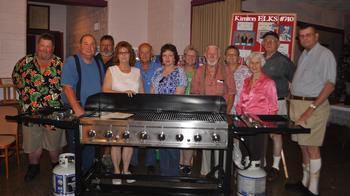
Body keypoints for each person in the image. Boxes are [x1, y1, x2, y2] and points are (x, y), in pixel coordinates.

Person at [285, 25, 336, 196]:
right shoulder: (305, 55)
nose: (304, 38)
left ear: (316, 36)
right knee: (303, 146)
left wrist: (311, 108)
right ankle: (304, 183)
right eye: (301, 36)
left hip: (313, 107)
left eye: (308, 35)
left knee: (312, 148)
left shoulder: (325, 54)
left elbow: (329, 85)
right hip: (298, 106)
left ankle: (313, 189)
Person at [12, 33, 66, 181]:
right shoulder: (25, 62)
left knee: (55, 145)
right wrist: (24, 94)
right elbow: (15, 77)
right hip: (31, 111)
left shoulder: (61, 64)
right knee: (32, 144)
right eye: (42, 45)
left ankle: (58, 169)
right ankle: (33, 168)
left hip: (54, 113)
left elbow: (68, 85)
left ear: (53, 48)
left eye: (49, 46)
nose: (45, 49)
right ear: (38, 46)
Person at [61, 34, 105, 173]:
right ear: (80, 46)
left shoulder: (98, 63)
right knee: (76, 147)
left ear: (95, 48)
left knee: (91, 145)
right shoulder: (72, 61)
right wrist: (77, 108)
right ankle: (75, 179)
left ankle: (87, 176)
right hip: (76, 111)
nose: (89, 47)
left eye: (92, 44)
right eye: (86, 44)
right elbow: (67, 87)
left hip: (93, 111)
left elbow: (103, 86)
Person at [102, 41, 144, 184]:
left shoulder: (137, 72)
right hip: (114, 112)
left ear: (130, 54)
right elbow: (105, 90)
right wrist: (123, 93)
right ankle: (116, 171)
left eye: (126, 52)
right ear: (117, 55)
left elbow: (142, 93)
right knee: (116, 142)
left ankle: (126, 170)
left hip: (132, 113)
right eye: (121, 52)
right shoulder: (112, 70)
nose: (124, 55)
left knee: (129, 142)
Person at [191, 45, 235, 176]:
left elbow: (232, 93)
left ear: (219, 55)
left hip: (222, 113)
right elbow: (194, 92)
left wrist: (226, 114)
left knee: (220, 143)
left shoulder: (226, 70)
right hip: (205, 113)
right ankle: (205, 172)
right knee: (205, 142)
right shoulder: (199, 71)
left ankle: (220, 173)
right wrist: (199, 113)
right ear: (205, 54)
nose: (211, 56)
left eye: (214, 54)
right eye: (209, 54)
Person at [261, 31, 296, 181]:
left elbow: (295, 78)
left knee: (276, 134)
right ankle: (260, 163)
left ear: (278, 44)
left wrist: (292, 97)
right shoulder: (258, 58)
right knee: (260, 134)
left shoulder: (283, 61)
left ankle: (275, 167)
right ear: (262, 43)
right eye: (266, 40)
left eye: (272, 40)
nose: (268, 42)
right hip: (260, 104)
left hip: (278, 102)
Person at [235, 52, 278, 167]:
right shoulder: (246, 81)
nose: (254, 66)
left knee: (256, 154)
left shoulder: (269, 82)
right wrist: (239, 118)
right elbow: (240, 102)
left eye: (257, 63)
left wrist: (268, 126)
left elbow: (273, 107)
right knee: (245, 151)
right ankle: (244, 177)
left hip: (260, 123)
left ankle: (254, 178)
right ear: (248, 64)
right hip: (244, 122)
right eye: (251, 63)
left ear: (262, 64)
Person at [151, 43, 187, 176]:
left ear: (175, 57)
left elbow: (179, 95)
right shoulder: (157, 71)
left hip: (173, 114)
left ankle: (173, 177)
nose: (167, 58)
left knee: (172, 145)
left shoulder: (179, 72)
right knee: (162, 144)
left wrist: (167, 109)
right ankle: (164, 175)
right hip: (157, 113)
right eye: (164, 55)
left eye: (170, 55)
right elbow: (152, 91)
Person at [130, 42, 161, 174]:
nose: (144, 55)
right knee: (134, 133)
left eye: (147, 52)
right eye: (142, 52)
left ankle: (150, 163)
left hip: (153, 106)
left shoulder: (159, 68)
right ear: (138, 54)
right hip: (136, 106)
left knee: (152, 134)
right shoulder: (133, 68)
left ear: (152, 54)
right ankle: (132, 162)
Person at [224, 45, 251, 168]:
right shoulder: (221, 71)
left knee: (241, 137)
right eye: (228, 54)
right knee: (229, 137)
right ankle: (229, 164)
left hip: (242, 110)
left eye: (234, 54)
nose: (231, 57)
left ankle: (241, 162)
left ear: (239, 57)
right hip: (226, 109)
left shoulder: (246, 71)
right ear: (225, 57)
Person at [179, 45, 198, 175]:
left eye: (193, 56)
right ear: (184, 57)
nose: (190, 58)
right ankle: (181, 160)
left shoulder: (200, 72)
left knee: (189, 135)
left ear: (196, 59)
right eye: (188, 55)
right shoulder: (178, 71)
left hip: (193, 108)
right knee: (179, 133)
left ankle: (187, 162)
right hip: (179, 107)